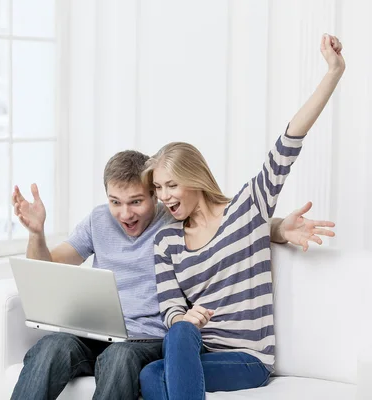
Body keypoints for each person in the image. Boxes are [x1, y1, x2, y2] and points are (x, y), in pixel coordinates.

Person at [10, 112, 334, 400]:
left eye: (136, 201)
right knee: (50, 347)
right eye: (115, 202)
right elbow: (46, 266)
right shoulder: (98, 221)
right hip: (96, 334)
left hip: (145, 341)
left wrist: (274, 228)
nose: (125, 213)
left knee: (121, 359)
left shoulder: (173, 221)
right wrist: (36, 233)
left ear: (155, 195)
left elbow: (229, 220)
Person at [138, 33, 344, 399]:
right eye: (157, 189)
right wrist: (185, 320)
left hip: (248, 359)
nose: (163, 197)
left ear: (193, 178)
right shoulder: (166, 240)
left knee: (170, 357)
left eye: (171, 185)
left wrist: (333, 71)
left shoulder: (248, 210)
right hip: (201, 352)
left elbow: (289, 142)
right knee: (154, 370)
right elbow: (169, 307)